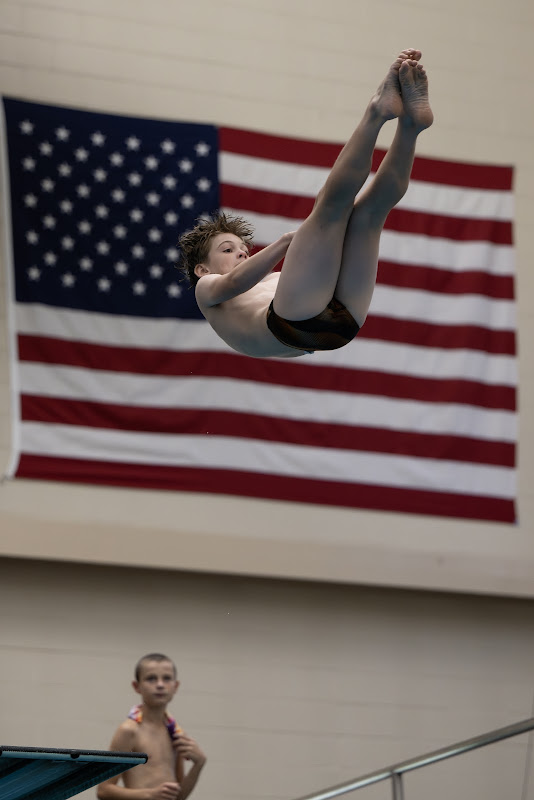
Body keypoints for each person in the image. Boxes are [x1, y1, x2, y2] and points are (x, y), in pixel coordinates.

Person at [178, 48, 433, 358]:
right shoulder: (206, 290)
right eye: (228, 250)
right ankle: (376, 112)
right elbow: (232, 284)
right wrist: (286, 242)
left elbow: (321, 268)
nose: (242, 251)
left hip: (337, 323)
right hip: (294, 321)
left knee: (367, 215)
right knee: (330, 206)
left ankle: (410, 127)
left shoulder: (274, 280)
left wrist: (326, 237)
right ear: (202, 268)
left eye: (242, 247)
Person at [97, 653, 206, 800]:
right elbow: (103, 791)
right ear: (137, 686)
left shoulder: (175, 732)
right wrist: (149, 794)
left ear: (176, 686)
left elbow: (178, 797)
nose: (160, 684)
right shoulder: (129, 731)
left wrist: (198, 764)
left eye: (166, 678)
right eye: (151, 678)